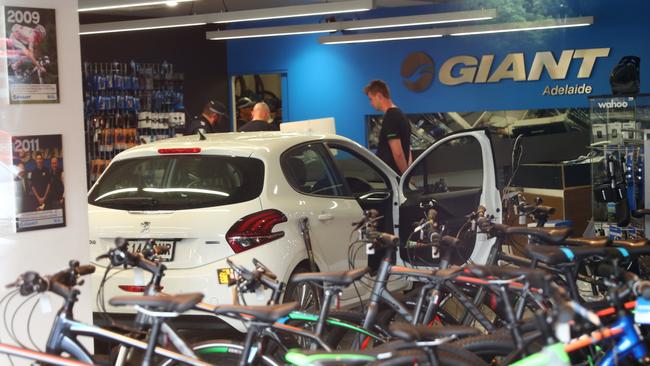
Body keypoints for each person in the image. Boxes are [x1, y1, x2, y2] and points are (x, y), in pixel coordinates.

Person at [364, 80, 412, 174]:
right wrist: (408, 172)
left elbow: (398, 153)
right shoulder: (400, 114)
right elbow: (407, 148)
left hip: (393, 177)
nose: (371, 103)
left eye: (371, 99)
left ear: (379, 96)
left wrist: (404, 178)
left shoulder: (391, 117)